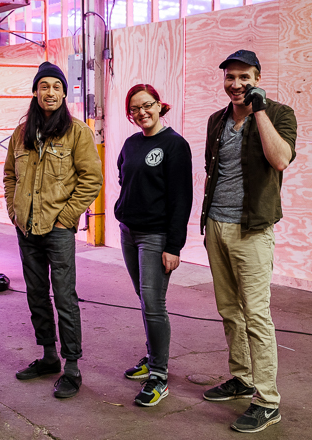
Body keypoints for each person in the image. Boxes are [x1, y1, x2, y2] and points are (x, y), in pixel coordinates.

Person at [200, 50, 297, 433]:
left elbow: (280, 160)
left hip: (252, 229)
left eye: (244, 77)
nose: (236, 84)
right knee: (229, 310)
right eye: (230, 78)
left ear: (257, 77)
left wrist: (259, 112)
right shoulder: (216, 120)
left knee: (256, 315)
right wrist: (206, 222)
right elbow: (214, 172)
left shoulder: (279, 114)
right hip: (217, 227)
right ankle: (241, 378)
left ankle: (268, 400)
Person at [3, 61, 103, 399]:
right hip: (26, 228)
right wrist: (14, 210)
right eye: (44, 86)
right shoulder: (21, 133)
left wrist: (68, 217)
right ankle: (48, 355)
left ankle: (72, 365)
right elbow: (9, 176)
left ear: (64, 93)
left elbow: (92, 179)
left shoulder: (77, 133)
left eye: (56, 87)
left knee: (64, 295)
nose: (50, 92)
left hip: (58, 228)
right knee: (35, 294)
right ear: (35, 91)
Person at [114, 84, 193, 407]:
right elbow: (124, 178)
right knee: (145, 299)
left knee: (153, 302)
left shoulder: (175, 145)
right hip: (129, 232)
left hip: (156, 236)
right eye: (135, 109)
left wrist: (174, 246)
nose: (142, 112)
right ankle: (152, 355)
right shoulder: (132, 144)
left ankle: (159, 376)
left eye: (147, 105)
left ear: (160, 106)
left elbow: (181, 199)